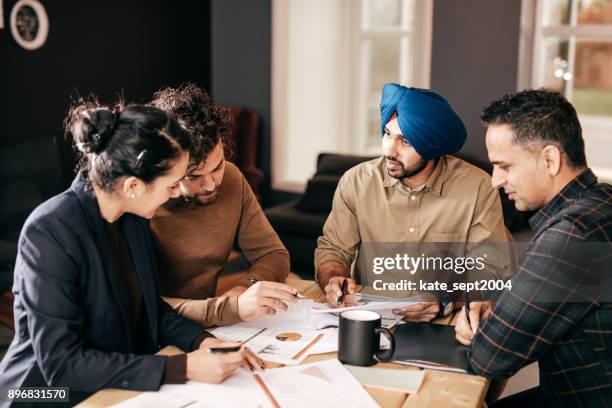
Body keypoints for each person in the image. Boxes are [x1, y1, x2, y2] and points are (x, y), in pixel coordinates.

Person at [0, 99, 263, 407]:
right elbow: (61, 365)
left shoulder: (133, 219)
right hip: (41, 394)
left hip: (116, 383)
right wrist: (185, 367)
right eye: (173, 184)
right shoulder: (48, 233)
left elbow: (152, 310)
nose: (178, 193)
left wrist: (204, 342)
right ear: (134, 186)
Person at [455, 89, 612, 407]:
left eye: (505, 166)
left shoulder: (571, 234)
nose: (495, 181)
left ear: (550, 160)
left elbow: (489, 358)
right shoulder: (602, 201)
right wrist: (499, 311)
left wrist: (482, 332)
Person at [315, 83, 510, 321]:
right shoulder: (356, 181)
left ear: (432, 146)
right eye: (388, 133)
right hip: (368, 318)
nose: (389, 150)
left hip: (442, 322)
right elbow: (333, 249)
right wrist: (334, 276)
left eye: (405, 141)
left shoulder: (477, 187)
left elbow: (490, 269)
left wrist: (442, 301)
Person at [149, 83, 296, 327]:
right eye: (193, 176)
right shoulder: (145, 204)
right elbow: (143, 307)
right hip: (158, 332)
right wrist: (227, 309)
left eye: (217, 167)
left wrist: (242, 290)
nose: (210, 184)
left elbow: (273, 254)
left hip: (209, 324)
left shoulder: (232, 178)